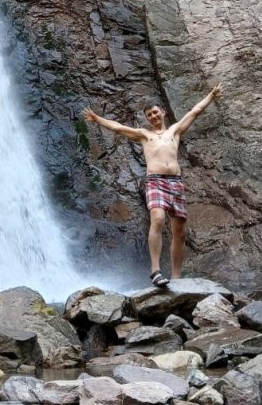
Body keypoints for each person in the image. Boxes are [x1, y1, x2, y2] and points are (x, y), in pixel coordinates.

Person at [83, 85, 222, 288]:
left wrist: (211, 95)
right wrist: (97, 119)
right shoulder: (144, 135)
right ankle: (155, 271)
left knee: (180, 232)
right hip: (156, 181)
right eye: (149, 115)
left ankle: (176, 278)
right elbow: (118, 128)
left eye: (155, 112)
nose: (153, 116)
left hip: (176, 183)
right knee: (157, 217)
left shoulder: (175, 130)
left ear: (163, 112)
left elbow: (195, 111)